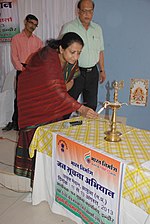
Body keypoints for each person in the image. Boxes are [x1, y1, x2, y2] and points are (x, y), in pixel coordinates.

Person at [14, 32, 98, 186]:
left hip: (51, 104)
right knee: (38, 141)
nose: (76, 57)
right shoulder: (47, 59)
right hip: (35, 104)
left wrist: (61, 91)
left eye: (79, 53)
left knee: (52, 142)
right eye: (72, 52)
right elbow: (54, 89)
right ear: (61, 48)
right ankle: (38, 183)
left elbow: (67, 82)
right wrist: (80, 108)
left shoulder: (70, 62)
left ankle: (50, 179)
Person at [61, 0, 106, 112]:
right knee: (67, 106)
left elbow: (100, 51)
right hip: (74, 72)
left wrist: (102, 70)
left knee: (91, 106)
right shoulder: (68, 27)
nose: (87, 14)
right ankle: (61, 129)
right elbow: (61, 52)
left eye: (90, 11)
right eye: (84, 11)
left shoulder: (97, 29)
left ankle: (87, 129)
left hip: (93, 73)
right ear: (78, 11)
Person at [2, 14, 43, 131]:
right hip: (21, 70)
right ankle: (15, 122)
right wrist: (22, 69)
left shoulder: (38, 41)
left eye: (35, 25)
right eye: (31, 23)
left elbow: (39, 58)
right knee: (19, 98)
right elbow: (14, 57)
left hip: (33, 71)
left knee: (32, 98)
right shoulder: (16, 39)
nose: (33, 26)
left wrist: (34, 70)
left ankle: (30, 122)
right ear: (25, 22)